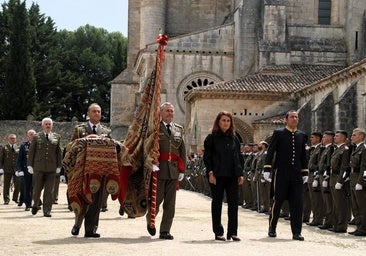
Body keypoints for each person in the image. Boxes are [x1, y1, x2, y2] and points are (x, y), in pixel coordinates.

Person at [264, 110, 308, 241]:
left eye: (296, 117)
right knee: (278, 200)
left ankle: (296, 232)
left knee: (297, 203)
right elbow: (271, 151)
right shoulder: (279, 133)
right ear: (286, 119)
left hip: (296, 173)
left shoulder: (302, 135)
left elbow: (303, 156)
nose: (294, 119)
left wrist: (305, 171)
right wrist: (267, 168)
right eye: (292, 117)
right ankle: (272, 228)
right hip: (281, 172)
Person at [70, 103, 111, 238]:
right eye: (94, 111)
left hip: (99, 171)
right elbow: (70, 147)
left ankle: (91, 229)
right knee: (82, 198)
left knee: (96, 202)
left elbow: (111, 150)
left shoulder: (106, 131)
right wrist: (85, 139)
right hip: (82, 170)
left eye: (99, 112)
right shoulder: (79, 129)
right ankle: (77, 224)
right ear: (88, 114)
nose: (96, 114)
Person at [146, 102, 186, 240]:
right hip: (159, 168)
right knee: (156, 201)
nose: (170, 113)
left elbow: (182, 150)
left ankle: (165, 231)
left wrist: (182, 170)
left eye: (171, 111)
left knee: (170, 204)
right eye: (167, 111)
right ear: (161, 112)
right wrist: (151, 163)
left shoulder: (179, 129)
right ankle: (150, 221)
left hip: (173, 170)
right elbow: (148, 147)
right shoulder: (155, 128)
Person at [203, 111, 244, 241]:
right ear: (218, 122)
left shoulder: (235, 138)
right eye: (223, 120)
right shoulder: (211, 138)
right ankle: (218, 231)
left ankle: (232, 232)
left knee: (233, 204)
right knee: (217, 203)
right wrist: (210, 173)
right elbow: (207, 158)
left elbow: (238, 157)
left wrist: (240, 174)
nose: (226, 123)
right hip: (217, 176)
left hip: (232, 176)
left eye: (228, 121)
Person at [27, 118, 62, 217]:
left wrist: (59, 166)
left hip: (51, 168)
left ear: (52, 126)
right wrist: (29, 165)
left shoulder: (57, 137)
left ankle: (47, 210)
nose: (48, 126)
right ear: (42, 126)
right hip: (38, 168)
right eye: (46, 124)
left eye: (49, 124)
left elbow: (58, 153)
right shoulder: (37, 137)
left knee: (49, 191)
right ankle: (35, 204)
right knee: (37, 189)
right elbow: (31, 152)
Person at [328, 130, 350, 233]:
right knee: (335, 203)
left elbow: (344, 167)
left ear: (342, 138)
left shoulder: (344, 150)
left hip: (338, 178)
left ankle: (342, 225)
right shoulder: (337, 149)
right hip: (333, 178)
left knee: (341, 204)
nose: (334, 138)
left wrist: (340, 181)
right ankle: (336, 224)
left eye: (337, 136)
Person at [348, 128, 366, 236]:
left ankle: (364, 228)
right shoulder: (356, 148)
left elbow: (364, 167)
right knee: (355, 206)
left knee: (362, 206)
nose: (351, 137)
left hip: (358, 180)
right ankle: (359, 227)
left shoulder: (363, 149)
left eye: (354, 135)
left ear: (361, 136)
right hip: (353, 178)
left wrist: (361, 182)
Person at [317, 131, 335, 230]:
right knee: (325, 200)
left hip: (326, 177)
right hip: (321, 175)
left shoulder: (330, 149)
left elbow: (328, 164)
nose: (322, 139)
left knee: (329, 201)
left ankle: (329, 222)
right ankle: (327, 221)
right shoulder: (325, 149)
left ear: (329, 138)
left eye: (324, 137)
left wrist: (326, 175)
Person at [307, 131, 324, 226]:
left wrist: (316, 177)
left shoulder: (320, 149)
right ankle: (315, 218)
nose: (311, 139)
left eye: (312, 137)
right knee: (313, 199)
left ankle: (319, 219)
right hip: (310, 176)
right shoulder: (314, 149)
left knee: (318, 200)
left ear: (317, 139)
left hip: (315, 176)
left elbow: (319, 165)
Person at [16, 129, 36, 211]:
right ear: (27, 136)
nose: (32, 135)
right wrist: (19, 169)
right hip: (26, 169)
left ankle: (37, 201)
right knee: (27, 187)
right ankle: (28, 204)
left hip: (37, 169)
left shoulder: (39, 145)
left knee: (36, 187)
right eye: (30, 134)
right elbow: (20, 159)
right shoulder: (23, 145)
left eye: (33, 134)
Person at [0, 134, 20, 205]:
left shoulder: (18, 147)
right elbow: (1, 158)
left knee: (18, 184)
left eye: (14, 138)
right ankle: (6, 199)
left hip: (16, 169)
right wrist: (1, 168)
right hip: (7, 168)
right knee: (6, 185)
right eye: (11, 138)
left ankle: (15, 198)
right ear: (8, 139)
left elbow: (20, 158)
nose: (13, 140)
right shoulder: (4, 147)